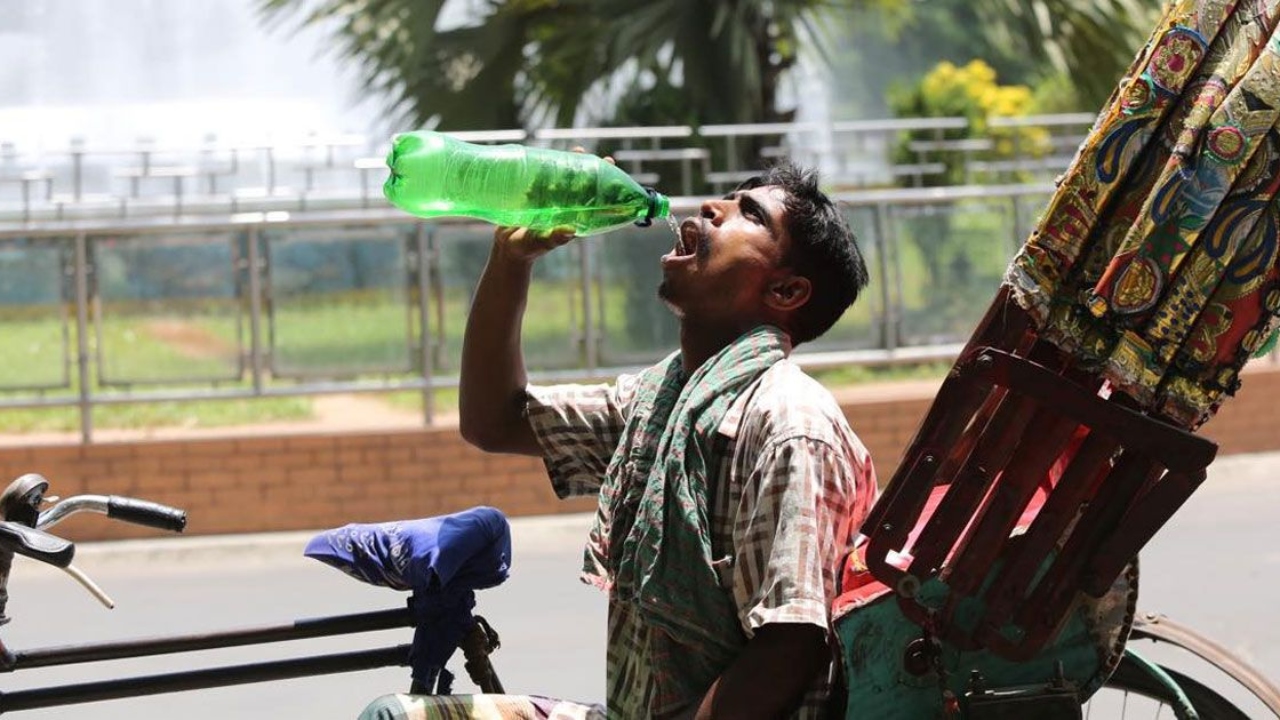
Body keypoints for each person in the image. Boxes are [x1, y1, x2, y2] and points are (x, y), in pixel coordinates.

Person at [360, 159, 877, 720]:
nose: (713, 208)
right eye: (728, 197)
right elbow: (494, 419)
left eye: (749, 213)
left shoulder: (790, 424)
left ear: (785, 290)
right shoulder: (662, 401)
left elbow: (789, 645)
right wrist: (511, 260)